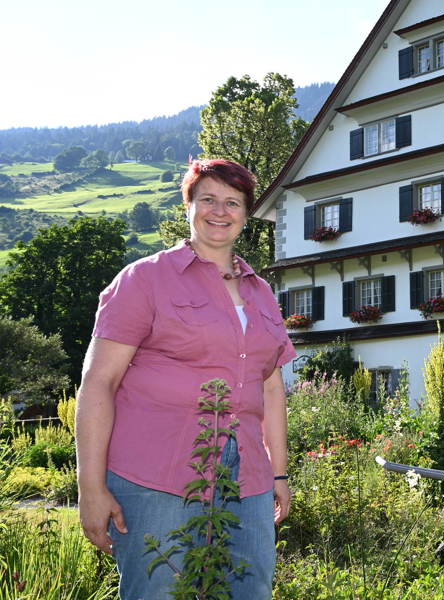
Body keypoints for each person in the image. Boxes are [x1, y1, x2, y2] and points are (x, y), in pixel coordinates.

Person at [76, 159, 296, 599]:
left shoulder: (262, 292)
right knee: (158, 591)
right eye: (208, 199)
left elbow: (270, 387)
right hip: (155, 475)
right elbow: (98, 383)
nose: (220, 211)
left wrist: (278, 475)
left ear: (246, 214)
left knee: (250, 590)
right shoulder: (144, 279)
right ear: (188, 206)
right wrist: (90, 488)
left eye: (232, 202)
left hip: (247, 477)